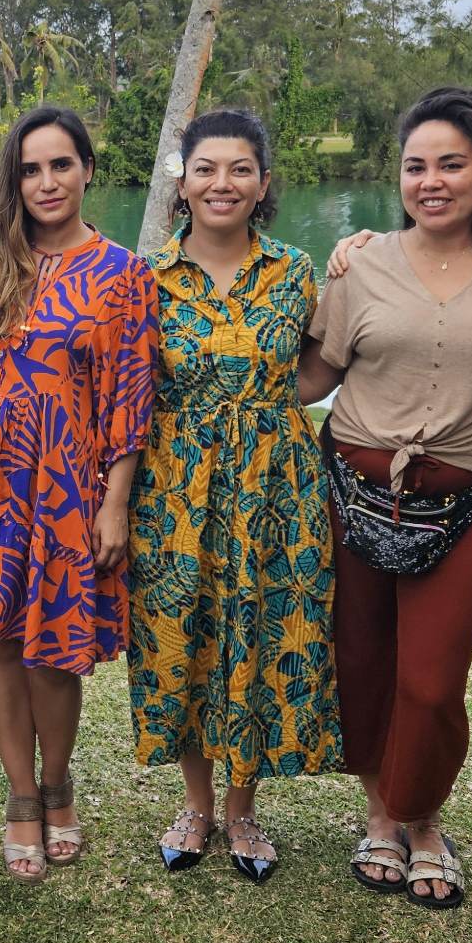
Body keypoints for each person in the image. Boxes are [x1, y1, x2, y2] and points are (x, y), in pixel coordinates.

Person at [298, 87, 472, 911]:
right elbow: (316, 374)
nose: (431, 181)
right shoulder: (361, 263)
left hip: (469, 506)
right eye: (415, 166)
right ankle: (380, 813)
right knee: (363, 662)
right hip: (352, 493)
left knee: (433, 681)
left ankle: (425, 819)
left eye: (451, 164)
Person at [0, 105, 157, 882]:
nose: (47, 182)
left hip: (68, 487)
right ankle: (20, 796)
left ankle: (59, 787)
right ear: (13, 180)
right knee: (1, 639)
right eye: (30, 169)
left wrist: (114, 502)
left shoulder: (122, 272)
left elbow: (130, 398)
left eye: (61, 165)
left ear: (89, 170)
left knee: (55, 650)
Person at [128, 108, 338, 883]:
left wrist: (269, 406)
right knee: (184, 632)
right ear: (183, 183)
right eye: (206, 168)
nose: (223, 183)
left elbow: (318, 366)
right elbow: (127, 386)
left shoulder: (295, 270)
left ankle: (244, 809)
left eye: (240, 169)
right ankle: (196, 805)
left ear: (263, 184)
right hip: (175, 483)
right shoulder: (145, 277)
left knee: (255, 630)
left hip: (274, 486)